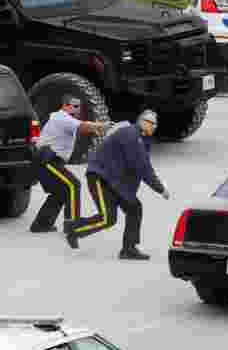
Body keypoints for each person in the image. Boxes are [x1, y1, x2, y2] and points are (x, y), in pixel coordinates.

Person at [73, 110, 170, 259]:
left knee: (134, 208)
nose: (154, 127)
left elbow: (139, 167)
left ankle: (128, 249)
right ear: (143, 122)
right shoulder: (132, 136)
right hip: (100, 176)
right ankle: (75, 230)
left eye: (155, 124)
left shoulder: (141, 138)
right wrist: (160, 188)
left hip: (115, 181)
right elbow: (142, 167)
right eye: (152, 124)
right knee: (108, 218)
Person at [29, 95, 108, 233]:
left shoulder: (66, 120)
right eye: (74, 106)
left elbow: (84, 128)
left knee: (60, 192)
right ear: (65, 106)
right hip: (47, 159)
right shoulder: (61, 117)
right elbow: (84, 126)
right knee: (73, 185)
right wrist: (102, 125)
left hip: (49, 160)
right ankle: (72, 224)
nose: (77, 110)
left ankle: (41, 224)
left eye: (79, 107)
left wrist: (97, 129)